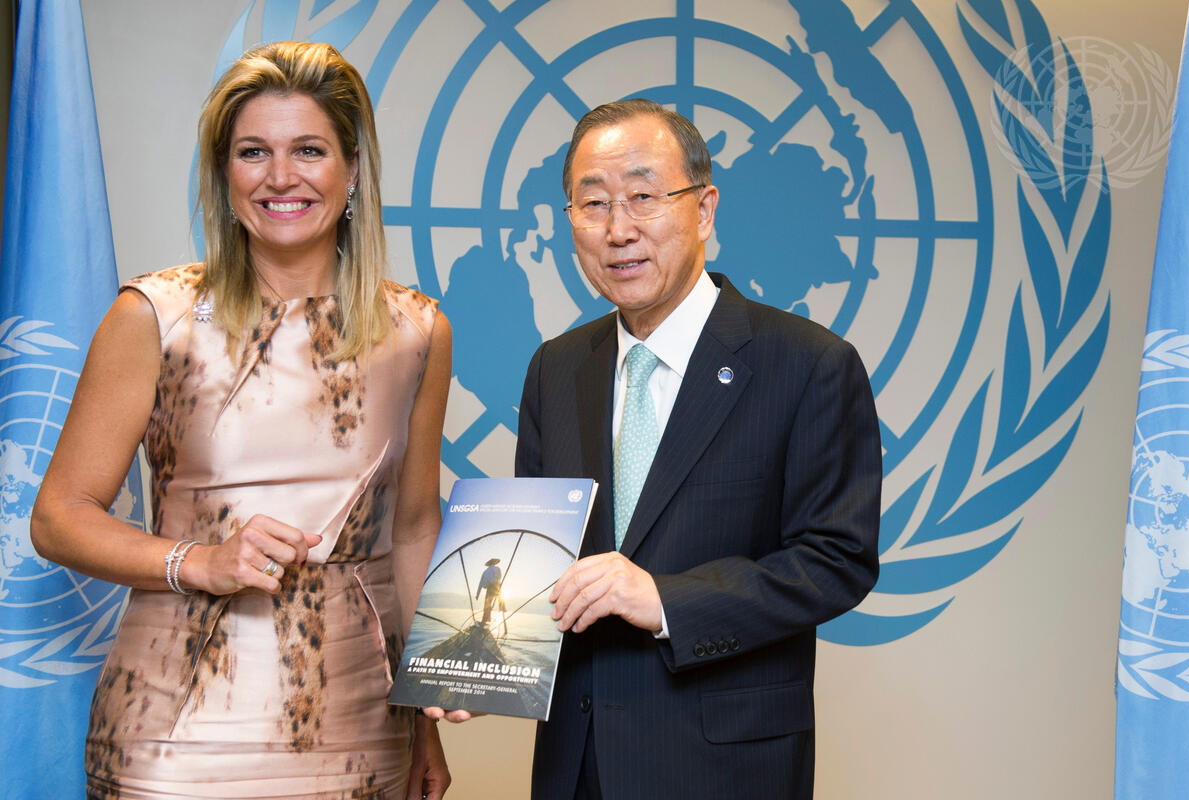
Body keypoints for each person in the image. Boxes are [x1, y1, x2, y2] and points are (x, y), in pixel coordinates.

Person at [31, 42, 451, 800]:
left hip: (362, 726)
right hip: (173, 724)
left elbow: (415, 529)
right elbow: (58, 517)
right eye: (253, 152)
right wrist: (199, 562)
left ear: (353, 170)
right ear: (224, 174)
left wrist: (426, 719)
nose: (281, 177)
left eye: (309, 150)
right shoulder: (154, 315)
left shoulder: (417, 329)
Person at [504, 98, 881, 799]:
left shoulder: (808, 364)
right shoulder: (556, 367)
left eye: (643, 197)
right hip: (578, 765)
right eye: (593, 204)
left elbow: (837, 559)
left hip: (725, 767)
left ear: (704, 210)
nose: (618, 229)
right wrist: (478, 663)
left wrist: (666, 600)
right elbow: (538, 553)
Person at [476, 558, 506, 632]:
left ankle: (484, 620)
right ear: (494, 563)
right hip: (496, 585)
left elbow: (480, 584)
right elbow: (499, 577)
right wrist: (498, 583)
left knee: (487, 605)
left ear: (489, 564)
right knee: (500, 598)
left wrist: (477, 595)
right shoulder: (497, 568)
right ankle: (502, 608)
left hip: (489, 588)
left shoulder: (485, 572)